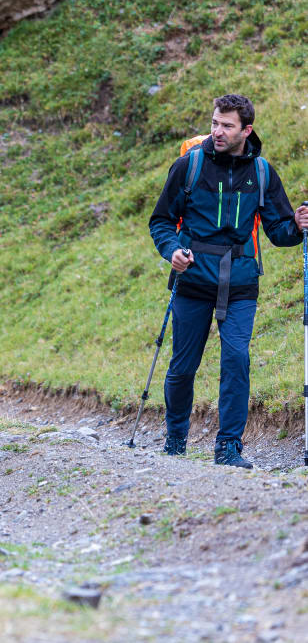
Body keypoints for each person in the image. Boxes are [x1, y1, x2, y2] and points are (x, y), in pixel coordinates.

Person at [149, 94, 308, 468]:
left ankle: (228, 447)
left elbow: (279, 231)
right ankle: (175, 440)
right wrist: (172, 250)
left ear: (246, 130)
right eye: (214, 123)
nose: (217, 132)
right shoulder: (189, 165)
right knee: (183, 366)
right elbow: (161, 221)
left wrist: (298, 226)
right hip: (192, 279)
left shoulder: (262, 173)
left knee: (236, 360)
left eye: (226, 126)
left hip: (240, 283)